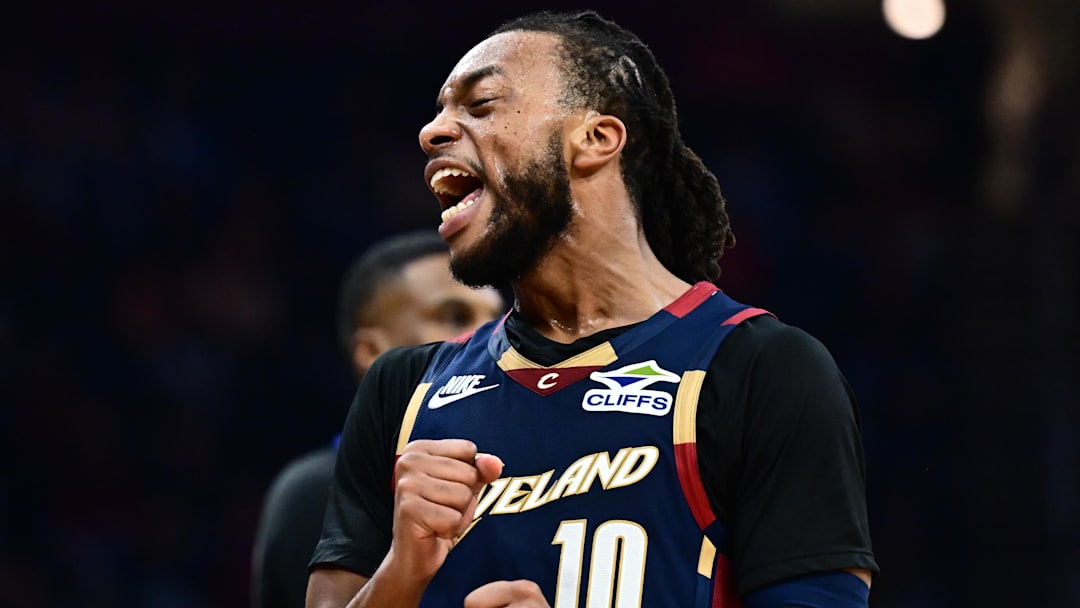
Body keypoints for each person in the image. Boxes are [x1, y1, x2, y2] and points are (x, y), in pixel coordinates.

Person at [307, 9, 878, 608]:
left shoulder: (762, 368)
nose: (431, 132)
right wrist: (402, 571)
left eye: (480, 105)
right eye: (441, 111)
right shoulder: (403, 388)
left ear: (596, 139)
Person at [250, 230, 505, 608]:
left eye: (498, 321)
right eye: (454, 316)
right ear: (373, 352)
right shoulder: (314, 490)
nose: (487, 338)